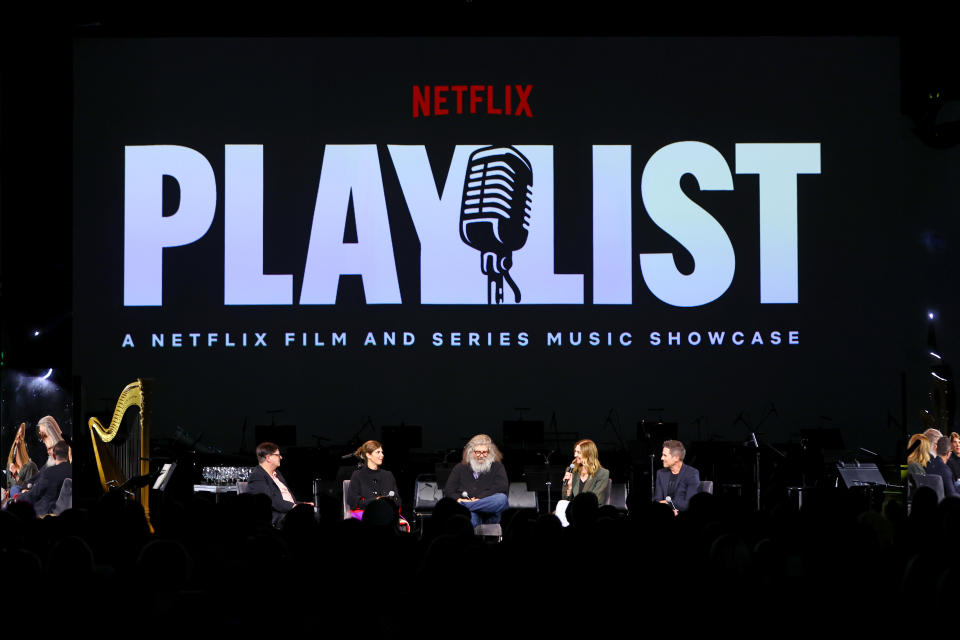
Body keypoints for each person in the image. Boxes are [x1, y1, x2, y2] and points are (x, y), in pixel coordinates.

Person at [443, 434, 509, 527]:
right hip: (470, 513)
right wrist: (458, 499)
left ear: (490, 453)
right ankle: (468, 508)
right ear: (471, 452)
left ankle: (466, 506)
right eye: (478, 452)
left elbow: (502, 486)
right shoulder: (460, 468)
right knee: (470, 517)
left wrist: (478, 499)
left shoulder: (497, 466)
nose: (481, 455)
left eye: (484, 452)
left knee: (502, 499)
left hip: (489, 510)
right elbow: (449, 490)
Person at [246, 442, 313, 527]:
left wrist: (301, 504)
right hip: (278, 517)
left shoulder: (277, 474)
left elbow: (286, 499)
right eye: (278, 455)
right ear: (268, 458)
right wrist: (295, 507)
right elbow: (270, 501)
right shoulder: (257, 476)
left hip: (288, 512)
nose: (281, 457)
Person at [555, 439, 610, 527]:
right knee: (561, 503)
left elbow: (595, 499)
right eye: (575, 451)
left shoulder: (602, 473)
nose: (575, 455)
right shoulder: (572, 470)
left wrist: (577, 506)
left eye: (578, 452)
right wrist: (569, 487)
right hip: (573, 510)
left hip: (591, 511)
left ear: (588, 454)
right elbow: (565, 498)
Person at [19, 440, 71, 516]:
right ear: (68, 454)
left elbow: (34, 494)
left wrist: (19, 498)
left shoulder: (49, 472)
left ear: (54, 455)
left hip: (44, 513)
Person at [347, 440, 399, 516]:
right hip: (366, 515)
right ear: (368, 455)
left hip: (387, 514)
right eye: (378, 452)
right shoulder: (358, 475)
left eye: (382, 452)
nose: (382, 455)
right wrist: (375, 501)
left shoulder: (388, 475)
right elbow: (353, 501)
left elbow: (397, 500)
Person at [652, 439, 700, 515]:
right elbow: (657, 499)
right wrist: (669, 511)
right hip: (663, 515)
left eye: (665, 455)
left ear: (676, 458)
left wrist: (668, 503)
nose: (661, 458)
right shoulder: (660, 473)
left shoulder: (692, 473)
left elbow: (690, 503)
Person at [3, 423, 39, 505]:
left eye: (21, 438)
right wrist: (7, 492)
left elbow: (26, 487)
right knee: (12, 490)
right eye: (17, 438)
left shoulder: (30, 465)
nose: (18, 439)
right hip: (13, 498)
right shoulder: (10, 465)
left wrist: (15, 475)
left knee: (15, 488)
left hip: (28, 497)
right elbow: (9, 486)